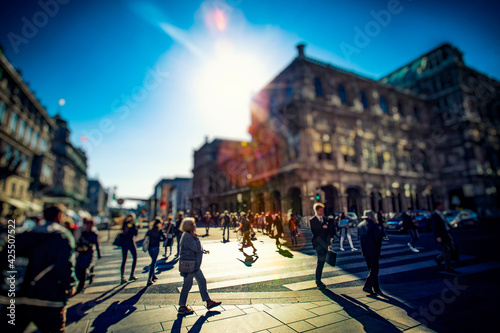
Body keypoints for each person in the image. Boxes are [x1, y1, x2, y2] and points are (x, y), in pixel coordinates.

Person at [0, 204, 77, 333]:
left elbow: (4, 260)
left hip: (15, 296)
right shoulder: (61, 235)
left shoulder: (23, 234)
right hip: (48, 297)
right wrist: (70, 285)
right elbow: (65, 265)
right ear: (59, 216)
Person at [178, 218, 221, 315]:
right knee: (187, 286)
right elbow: (196, 248)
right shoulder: (188, 236)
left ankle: (208, 302)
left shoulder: (188, 235)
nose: (195, 225)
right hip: (190, 266)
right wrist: (196, 239)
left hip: (193, 265)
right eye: (193, 224)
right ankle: (182, 307)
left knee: (202, 281)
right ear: (189, 226)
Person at [358, 210, 382, 295]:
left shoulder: (360, 225)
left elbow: (359, 238)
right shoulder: (373, 225)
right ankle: (367, 286)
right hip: (373, 250)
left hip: (365, 251)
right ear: (371, 217)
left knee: (371, 269)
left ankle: (376, 287)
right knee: (374, 269)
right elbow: (377, 239)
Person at [432, 203, 460, 274]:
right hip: (442, 235)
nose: (443, 206)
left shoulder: (441, 214)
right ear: (438, 207)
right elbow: (435, 227)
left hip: (447, 233)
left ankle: (439, 258)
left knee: (452, 249)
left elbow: (445, 224)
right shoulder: (435, 215)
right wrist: (437, 236)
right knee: (446, 251)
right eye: (441, 205)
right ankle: (448, 267)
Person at [75, 218, 102, 293]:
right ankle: (90, 275)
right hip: (81, 253)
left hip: (89, 253)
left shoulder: (93, 233)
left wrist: (99, 253)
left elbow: (97, 244)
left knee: (83, 269)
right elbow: (79, 241)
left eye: (89, 224)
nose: (87, 226)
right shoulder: (83, 232)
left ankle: (81, 286)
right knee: (78, 269)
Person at [310, 203, 331, 290]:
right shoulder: (312, 220)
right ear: (316, 210)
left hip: (325, 243)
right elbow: (314, 231)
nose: (322, 211)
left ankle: (319, 280)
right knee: (320, 261)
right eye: (321, 210)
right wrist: (323, 227)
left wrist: (329, 243)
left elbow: (327, 233)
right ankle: (318, 281)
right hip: (318, 244)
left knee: (322, 262)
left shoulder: (325, 219)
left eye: (323, 210)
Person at [146, 218, 166, 286]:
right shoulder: (159, 230)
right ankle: (149, 279)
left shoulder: (150, 230)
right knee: (153, 262)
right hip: (156, 247)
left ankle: (153, 275)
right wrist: (160, 239)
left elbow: (146, 237)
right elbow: (164, 238)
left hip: (150, 248)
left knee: (153, 261)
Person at [120, 213, 139, 284]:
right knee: (135, 257)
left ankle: (122, 277)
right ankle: (132, 274)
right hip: (130, 242)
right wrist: (137, 227)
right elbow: (135, 234)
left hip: (124, 242)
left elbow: (122, 231)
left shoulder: (125, 223)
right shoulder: (133, 224)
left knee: (124, 260)